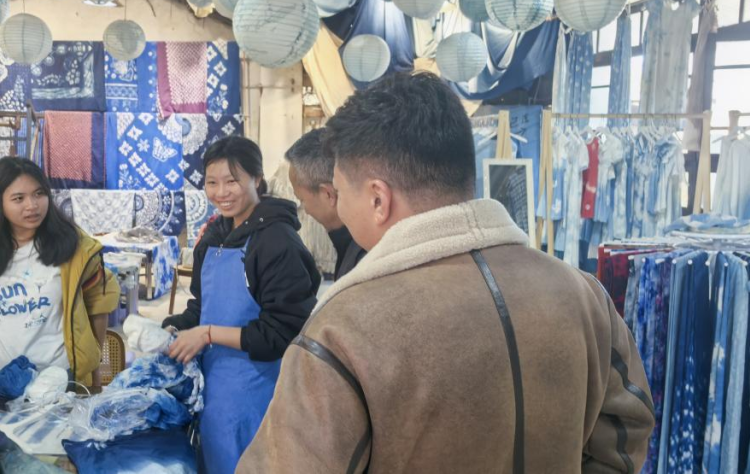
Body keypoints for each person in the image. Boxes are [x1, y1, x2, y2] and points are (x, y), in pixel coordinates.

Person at [238, 72, 655, 472]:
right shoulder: (581, 293)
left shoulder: (343, 329)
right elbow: (627, 429)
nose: (340, 207)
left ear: (378, 199)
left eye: (341, 191)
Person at [162, 136, 320, 474]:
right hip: (214, 391)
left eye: (232, 181)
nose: (221, 192)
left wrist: (206, 334)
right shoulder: (213, 237)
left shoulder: (278, 241)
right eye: (212, 182)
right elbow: (202, 306)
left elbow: (282, 332)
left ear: (257, 179)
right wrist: (174, 327)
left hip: (259, 394)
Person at [0, 157, 119, 386]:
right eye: (19, 198)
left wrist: (94, 368)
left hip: (56, 379)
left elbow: (99, 304)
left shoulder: (75, 246)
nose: (32, 205)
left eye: (39, 194)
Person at [285, 128, 366, 280]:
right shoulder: (355, 242)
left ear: (328, 194)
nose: (306, 211)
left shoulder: (364, 259)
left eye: (302, 200)